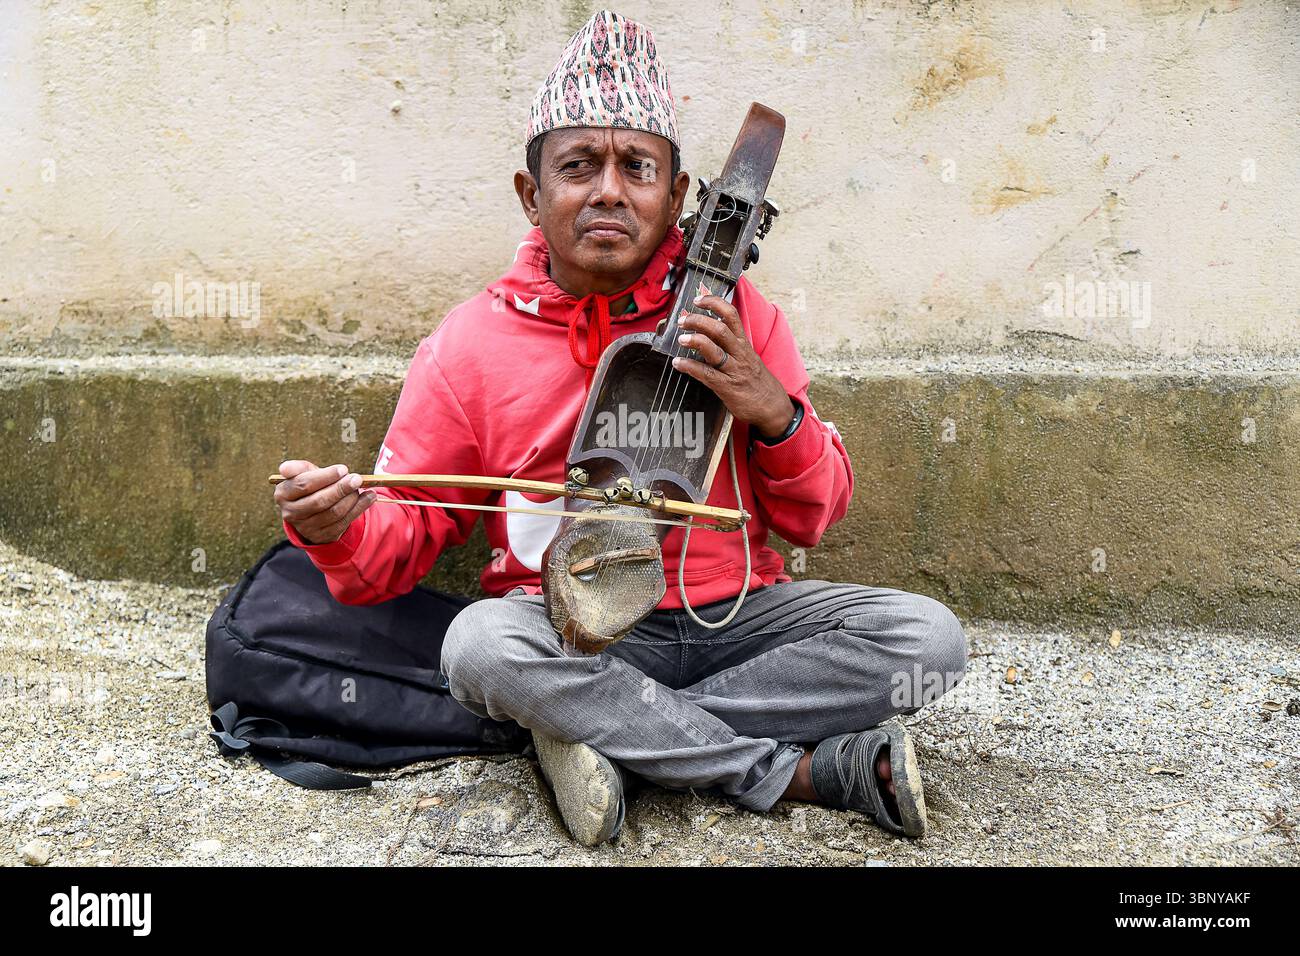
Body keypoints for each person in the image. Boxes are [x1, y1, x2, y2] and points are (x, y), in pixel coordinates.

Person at [274, 9, 966, 847]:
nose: (608, 189)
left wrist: (772, 410)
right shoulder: (468, 347)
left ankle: (609, 742)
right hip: (571, 634)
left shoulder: (736, 318)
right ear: (533, 195)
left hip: (734, 626)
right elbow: (402, 538)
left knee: (927, 639)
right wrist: (338, 529)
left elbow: (815, 517)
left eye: (637, 167)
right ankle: (792, 771)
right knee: (479, 646)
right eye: (578, 167)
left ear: (678, 197)